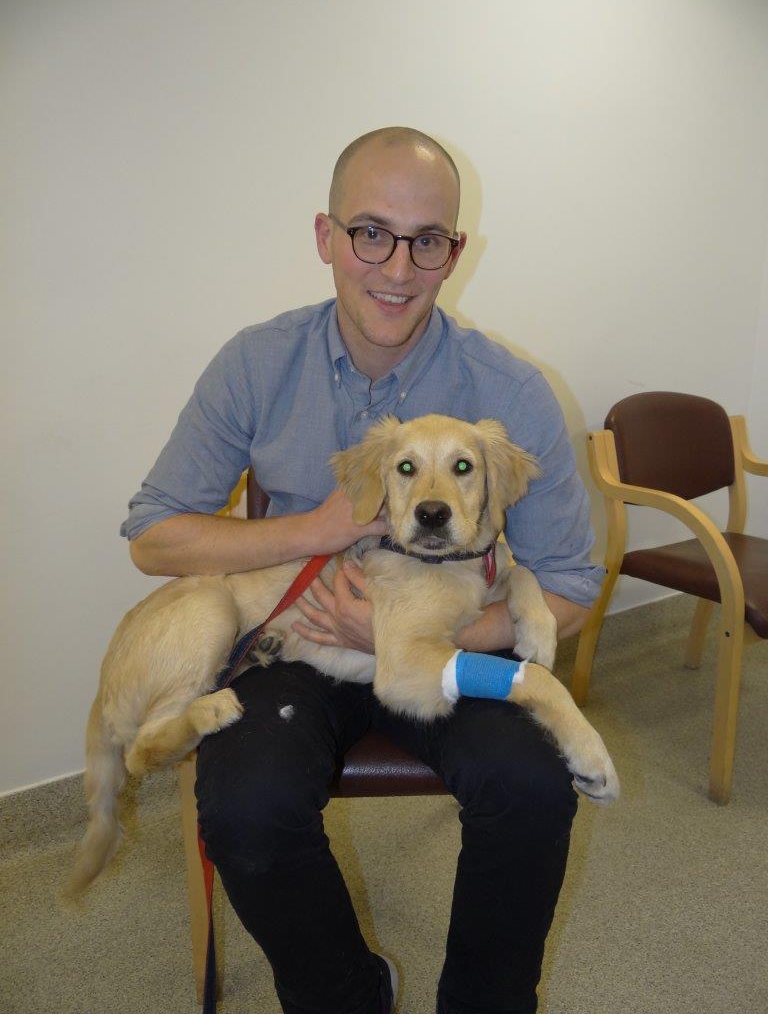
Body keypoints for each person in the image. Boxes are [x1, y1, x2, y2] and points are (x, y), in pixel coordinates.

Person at [122, 127, 604, 1014]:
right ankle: (347, 995)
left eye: (428, 241)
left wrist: (450, 636)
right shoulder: (257, 364)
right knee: (247, 807)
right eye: (370, 232)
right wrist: (309, 529)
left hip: (452, 637)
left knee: (532, 786)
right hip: (298, 648)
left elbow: (571, 578)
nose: (397, 266)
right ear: (326, 237)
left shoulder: (511, 394)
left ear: (454, 251)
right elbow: (155, 536)